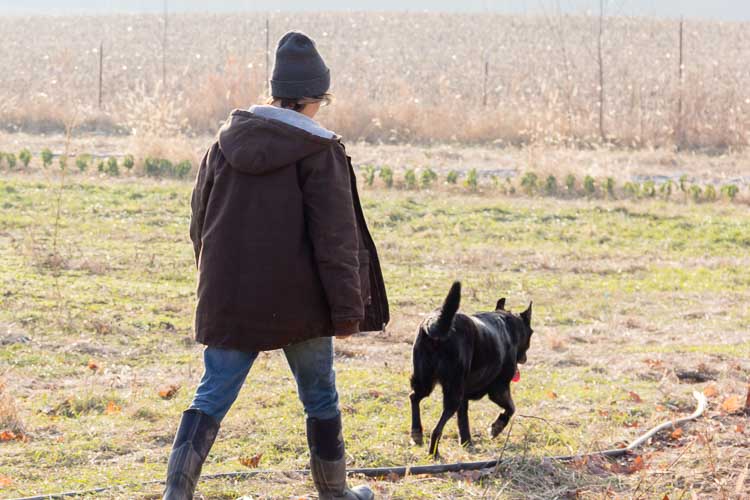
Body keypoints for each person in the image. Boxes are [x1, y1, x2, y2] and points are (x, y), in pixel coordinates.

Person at [163, 31, 389, 500]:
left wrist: (215, 277)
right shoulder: (320, 152)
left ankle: (175, 494)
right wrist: (347, 312)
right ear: (314, 98)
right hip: (300, 305)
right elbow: (336, 241)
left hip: (230, 296)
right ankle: (336, 493)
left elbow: (198, 219)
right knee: (320, 397)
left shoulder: (224, 142)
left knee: (211, 394)